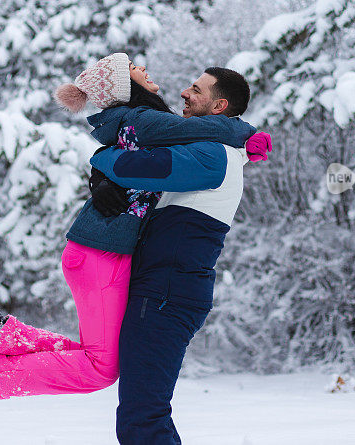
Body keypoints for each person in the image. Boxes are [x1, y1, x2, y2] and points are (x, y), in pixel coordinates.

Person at [0, 53, 268, 412]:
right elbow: (182, 138)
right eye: (134, 69)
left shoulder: (145, 124)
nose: (183, 90)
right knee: (101, 369)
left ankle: (1, 334)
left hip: (104, 252)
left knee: (100, 360)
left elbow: (172, 141)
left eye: (196, 88)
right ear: (125, 87)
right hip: (102, 252)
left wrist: (103, 169)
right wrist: (245, 134)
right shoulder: (146, 120)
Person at [89, 67, 272, 444]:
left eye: (197, 89)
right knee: (142, 412)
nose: (185, 92)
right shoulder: (206, 147)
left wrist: (102, 155)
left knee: (143, 415)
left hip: (166, 295)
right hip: (162, 290)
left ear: (219, 105)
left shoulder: (214, 157)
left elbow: (130, 167)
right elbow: (167, 133)